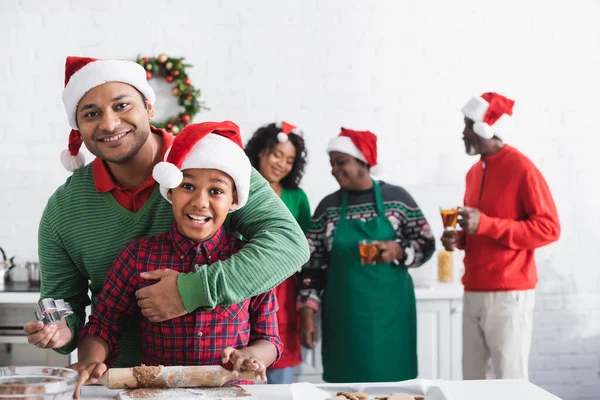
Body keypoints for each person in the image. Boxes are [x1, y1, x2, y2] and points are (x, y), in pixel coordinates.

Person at [23, 56, 309, 367]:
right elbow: (64, 304)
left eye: (122, 106)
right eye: (91, 114)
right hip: (120, 384)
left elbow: (290, 244)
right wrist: (61, 328)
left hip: (220, 383)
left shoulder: (212, 164)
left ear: (148, 107)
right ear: (78, 127)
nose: (109, 124)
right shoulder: (63, 209)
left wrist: (190, 292)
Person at [70, 121, 282, 398]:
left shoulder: (249, 260)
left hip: (233, 392)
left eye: (216, 191)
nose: (200, 202)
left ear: (234, 200)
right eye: (188, 186)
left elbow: (269, 339)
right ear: (170, 192)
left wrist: (250, 356)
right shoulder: (138, 257)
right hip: (157, 394)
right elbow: (104, 324)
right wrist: (90, 359)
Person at [298, 128, 435, 383]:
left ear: (363, 162)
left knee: (395, 389)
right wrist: (307, 313)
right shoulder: (327, 207)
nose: (335, 170)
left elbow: (426, 244)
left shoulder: (398, 199)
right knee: (345, 389)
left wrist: (400, 251)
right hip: (344, 318)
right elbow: (312, 266)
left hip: (391, 317)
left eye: (342, 162)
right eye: (332, 164)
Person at [441, 92, 560, 380]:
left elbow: (549, 228)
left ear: (486, 127)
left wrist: (486, 225)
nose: (463, 132)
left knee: (510, 380)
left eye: (468, 124)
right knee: (473, 381)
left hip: (509, 294)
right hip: (474, 290)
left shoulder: (523, 169)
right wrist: (459, 240)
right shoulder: (473, 173)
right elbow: (479, 229)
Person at [245, 121, 311, 384]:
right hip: (246, 282)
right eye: (276, 154)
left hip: (284, 289)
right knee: (244, 361)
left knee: (280, 366)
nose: (281, 164)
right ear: (261, 151)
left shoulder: (298, 197)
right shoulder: (239, 188)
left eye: (289, 160)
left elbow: (304, 247)